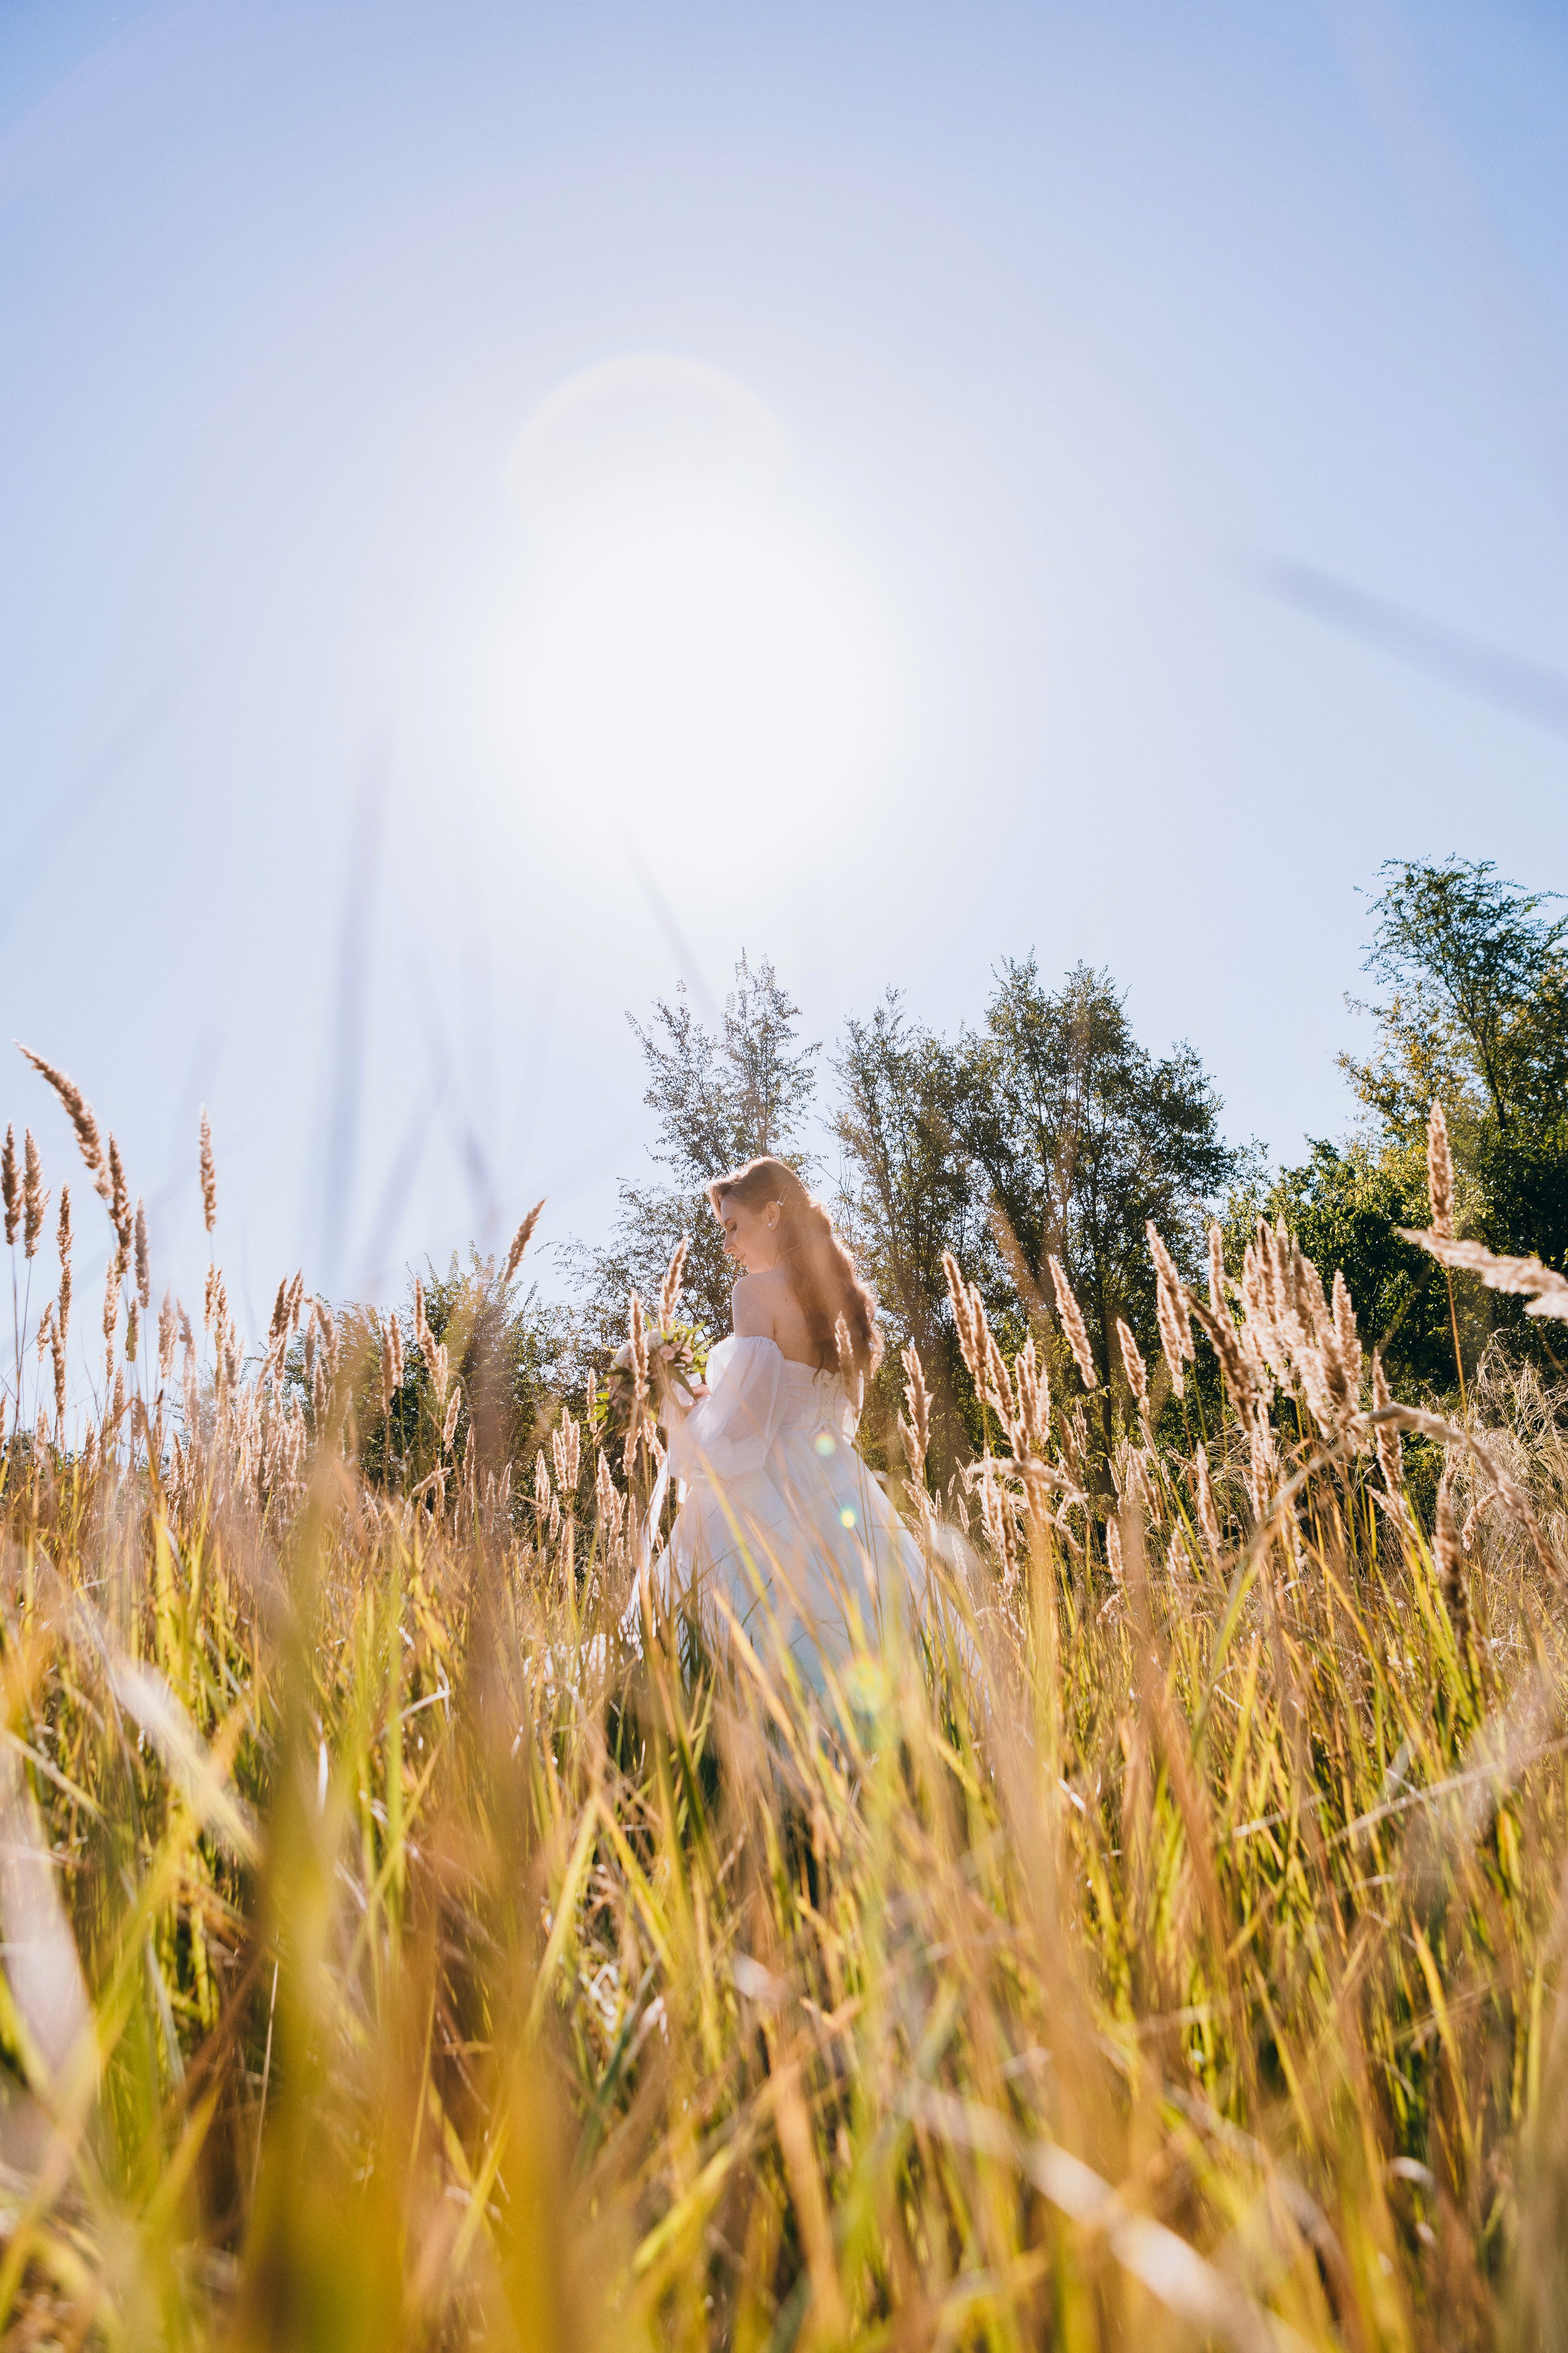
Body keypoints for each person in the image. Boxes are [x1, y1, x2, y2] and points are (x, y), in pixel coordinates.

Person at [654, 1155, 927, 1684]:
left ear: (773, 1214)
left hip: (773, 1478)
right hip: (840, 1480)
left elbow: (750, 1424)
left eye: (733, 1228)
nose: (728, 1246)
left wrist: (685, 1407)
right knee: (870, 1618)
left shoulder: (753, 1292)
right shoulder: (841, 1301)